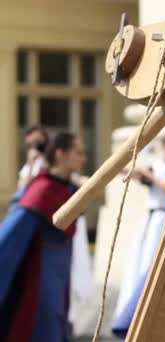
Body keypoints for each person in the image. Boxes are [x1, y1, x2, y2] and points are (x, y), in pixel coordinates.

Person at [0, 132, 86, 341]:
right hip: (40, 275)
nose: (83, 158)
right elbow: (9, 237)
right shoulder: (41, 190)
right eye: (78, 152)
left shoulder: (68, 188)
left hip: (60, 272)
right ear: (60, 154)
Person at [112, 134, 165, 338]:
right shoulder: (155, 165)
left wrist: (151, 177)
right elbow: (128, 172)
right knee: (142, 263)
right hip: (152, 219)